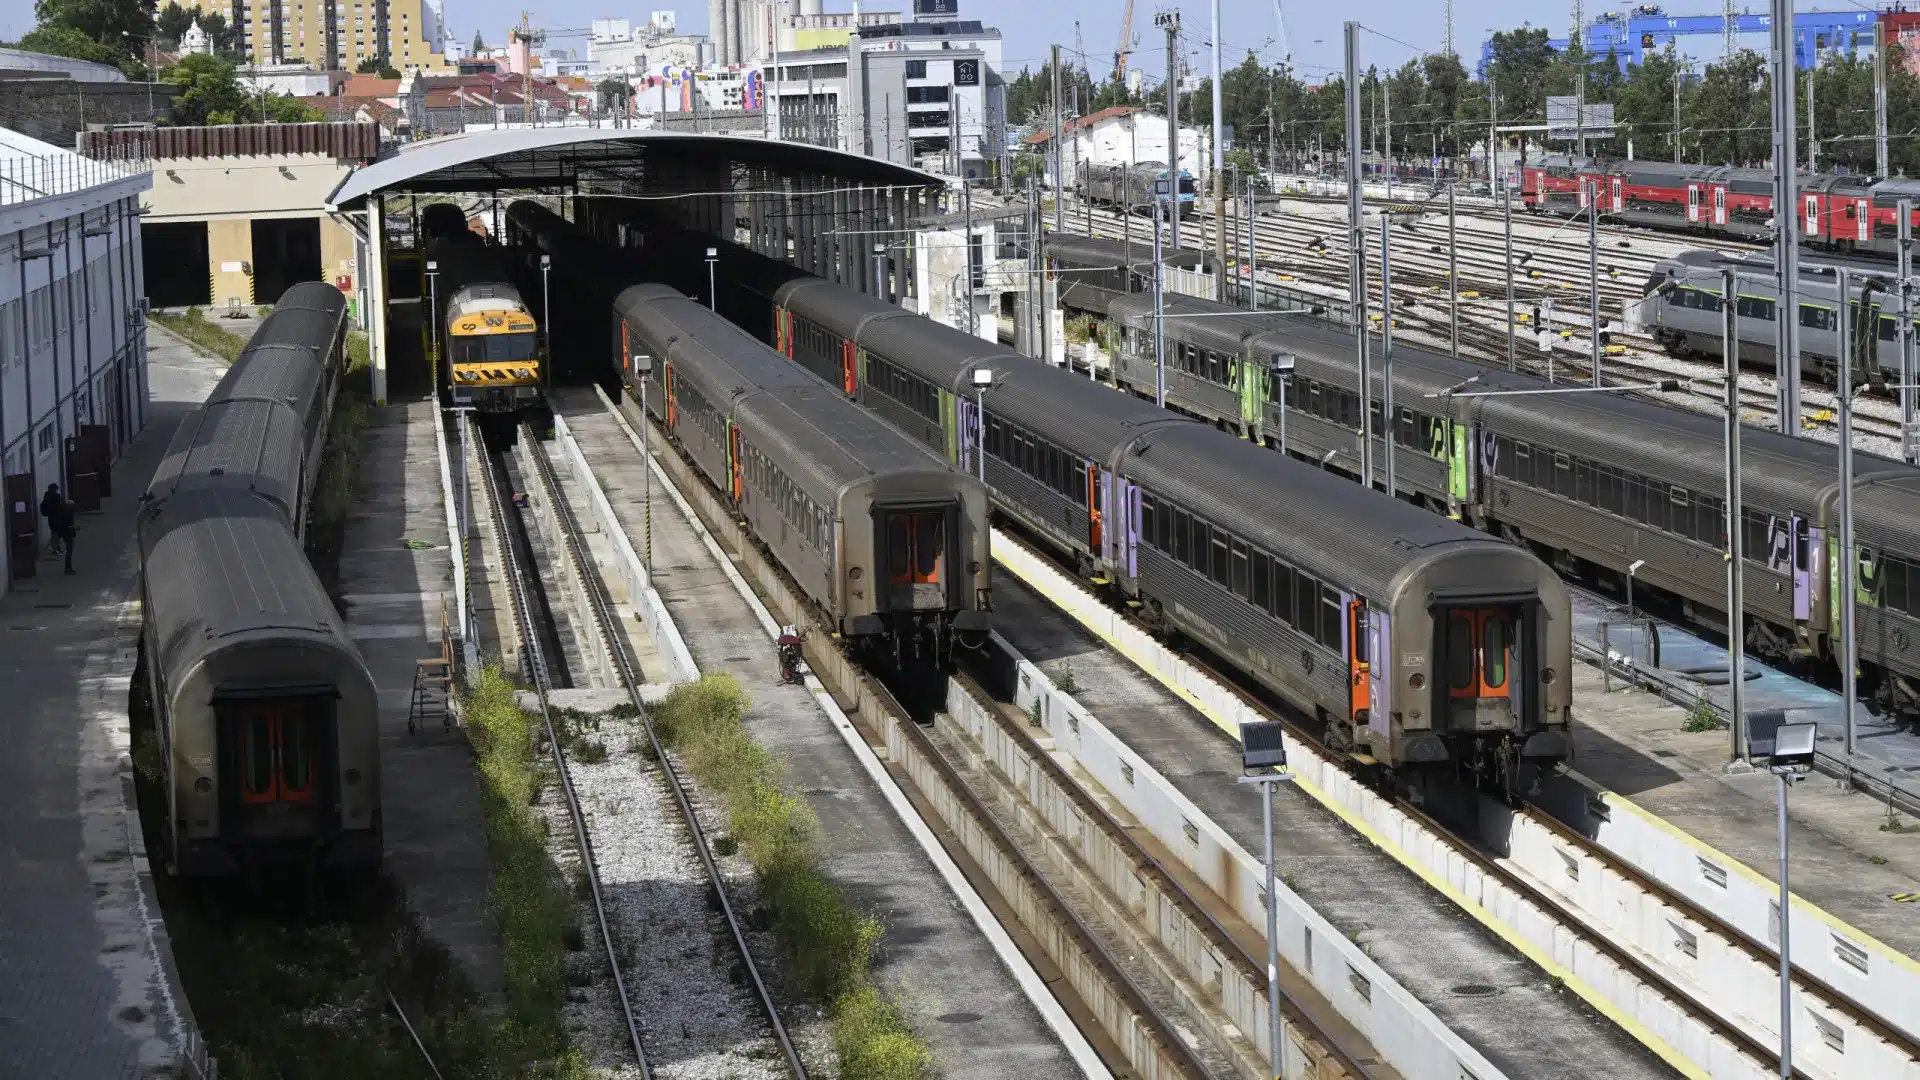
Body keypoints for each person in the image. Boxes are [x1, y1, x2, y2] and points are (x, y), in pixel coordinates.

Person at [46, 491, 75, 575]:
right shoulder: (67, 512)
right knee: (69, 551)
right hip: (68, 533)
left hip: (63, 531)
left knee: (67, 549)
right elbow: (69, 524)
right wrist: (73, 528)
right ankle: (68, 568)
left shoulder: (61, 510)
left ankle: (56, 549)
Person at [39, 483, 63, 556]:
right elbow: (60, 506)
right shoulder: (56, 497)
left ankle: (56, 548)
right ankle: (55, 548)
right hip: (57, 517)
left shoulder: (46, 497)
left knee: (54, 533)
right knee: (57, 534)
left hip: (51, 518)